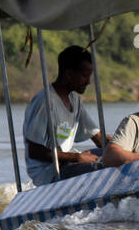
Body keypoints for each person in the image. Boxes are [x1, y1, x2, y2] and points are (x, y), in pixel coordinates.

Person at [22, 45, 105, 186]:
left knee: (110, 155)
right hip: (48, 172)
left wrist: (124, 149)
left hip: (66, 164)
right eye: (84, 76)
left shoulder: (74, 99)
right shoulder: (45, 102)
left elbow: (98, 138)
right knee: (103, 167)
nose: (88, 81)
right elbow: (34, 151)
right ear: (69, 74)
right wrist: (77, 157)